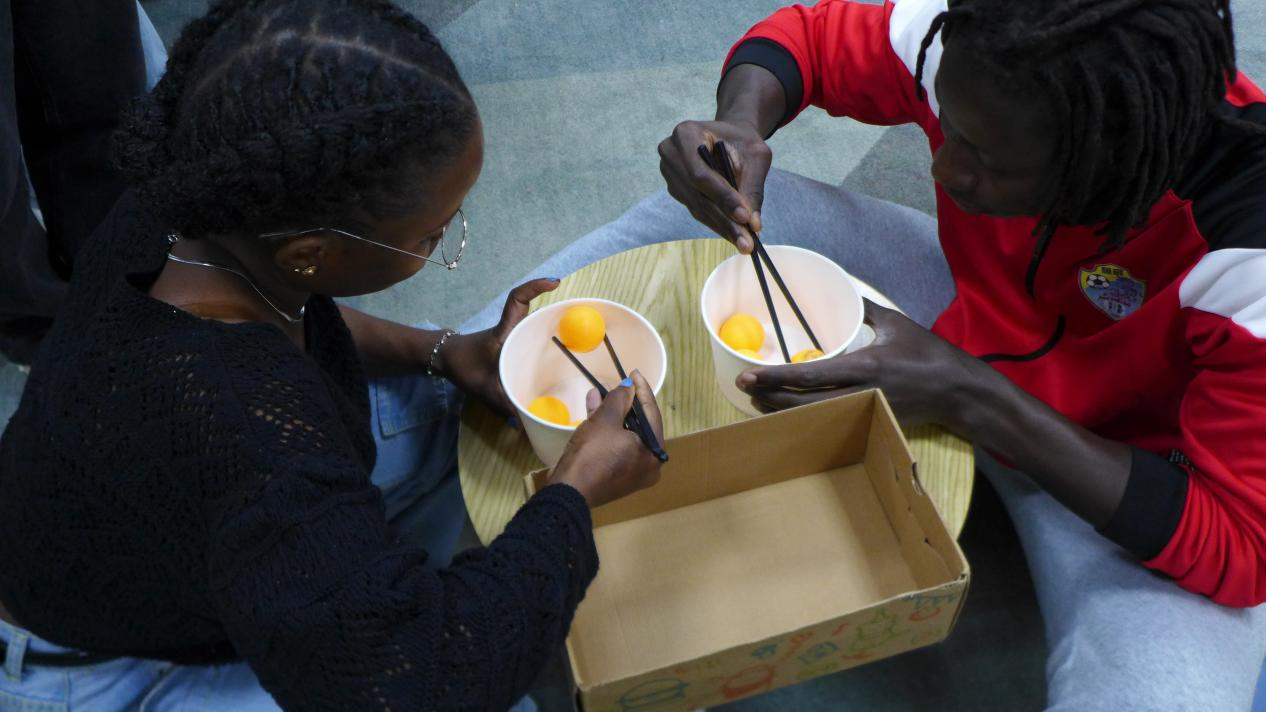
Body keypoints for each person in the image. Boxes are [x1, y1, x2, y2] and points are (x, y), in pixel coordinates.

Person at [0, 1, 664, 710]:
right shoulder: (250, 439)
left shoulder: (185, 206)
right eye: (433, 235)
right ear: (308, 254)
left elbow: (280, 318)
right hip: (96, 666)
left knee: (456, 420)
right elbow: (418, 686)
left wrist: (442, 352)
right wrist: (576, 490)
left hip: (171, 531)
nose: (444, 240)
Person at [649, 0, 1266, 708]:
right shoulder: (988, 39)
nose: (942, 168)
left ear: (1107, 155)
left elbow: (1242, 544)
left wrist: (969, 396)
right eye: (951, 123)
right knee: (720, 215)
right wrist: (737, 123)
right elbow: (806, 39)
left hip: (1119, 476)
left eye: (982, 156)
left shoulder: (1249, 251)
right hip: (949, 321)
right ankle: (519, 352)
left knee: (1165, 699)